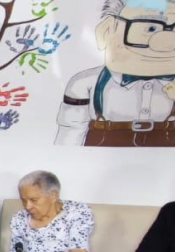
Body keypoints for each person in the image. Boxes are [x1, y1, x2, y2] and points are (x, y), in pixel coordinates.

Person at [54, 1, 175, 146]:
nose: (167, 43)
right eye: (150, 28)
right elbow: (71, 132)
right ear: (107, 30)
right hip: (102, 149)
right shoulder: (86, 82)